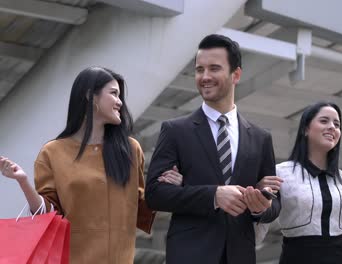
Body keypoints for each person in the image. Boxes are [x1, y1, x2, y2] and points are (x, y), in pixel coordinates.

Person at [0, 66, 181, 263]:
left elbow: (140, 207)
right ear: (90, 96)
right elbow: (48, 214)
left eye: (120, 96)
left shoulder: (130, 149)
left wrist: (167, 187)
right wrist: (23, 182)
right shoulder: (52, 152)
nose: (120, 102)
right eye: (114, 94)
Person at [145, 34, 281, 264]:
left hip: (240, 255)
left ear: (235, 74)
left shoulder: (261, 138)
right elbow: (154, 194)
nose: (205, 77)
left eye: (214, 68)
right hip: (189, 255)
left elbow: (275, 204)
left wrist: (262, 207)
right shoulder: (175, 130)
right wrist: (214, 195)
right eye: (200, 70)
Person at [257, 101, 342, 264]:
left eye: (337, 124)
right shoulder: (281, 174)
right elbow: (257, 235)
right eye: (324, 121)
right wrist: (257, 201)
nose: (332, 127)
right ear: (305, 129)